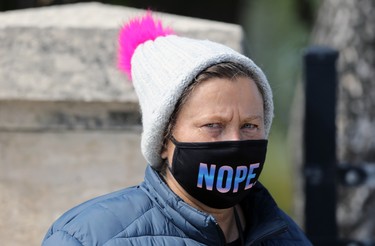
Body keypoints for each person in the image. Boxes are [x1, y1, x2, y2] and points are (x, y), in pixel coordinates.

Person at [42, 11, 312, 245]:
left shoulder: (285, 235)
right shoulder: (89, 238)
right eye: (213, 125)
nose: (235, 140)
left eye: (250, 125)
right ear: (163, 140)